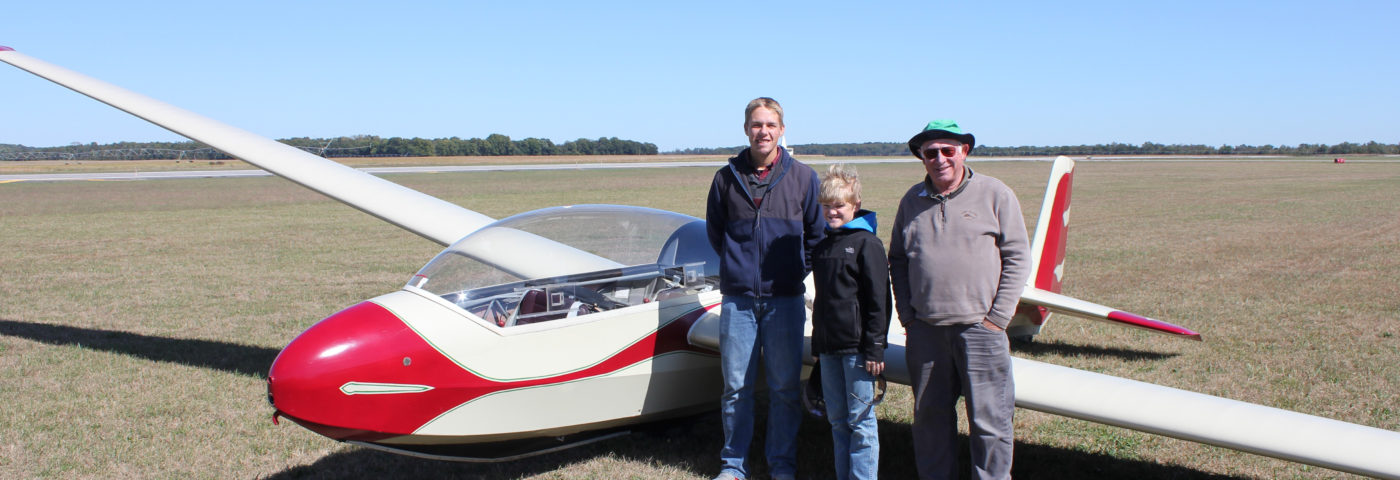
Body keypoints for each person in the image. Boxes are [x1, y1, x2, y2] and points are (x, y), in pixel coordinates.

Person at [888, 120, 1030, 480]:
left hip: (980, 329)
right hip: (926, 332)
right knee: (930, 422)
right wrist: (908, 316)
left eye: (947, 150)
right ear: (922, 158)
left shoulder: (995, 194)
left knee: (990, 423)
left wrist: (997, 318)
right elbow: (898, 260)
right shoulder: (911, 201)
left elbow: (1017, 256)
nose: (939, 159)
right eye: (930, 152)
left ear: (964, 151)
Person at [706, 97, 825, 480]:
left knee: (784, 389)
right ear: (746, 130)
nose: (764, 132)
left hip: (784, 300)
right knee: (735, 388)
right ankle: (733, 465)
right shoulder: (726, 177)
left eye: (771, 125)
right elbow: (716, 232)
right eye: (757, 125)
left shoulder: (804, 177)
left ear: (782, 130)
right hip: (738, 301)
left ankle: (782, 465)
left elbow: (816, 235)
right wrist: (740, 269)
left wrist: (791, 272)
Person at [810, 164, 891, 480]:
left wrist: (875, 349)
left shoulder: (866, 243)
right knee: (837, 419)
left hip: (858, 350)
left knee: (860, 421)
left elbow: (879, 301)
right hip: (829, 348)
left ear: (855, 206)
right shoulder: (824, 245)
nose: (832, 212)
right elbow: (823, 303)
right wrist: (818, 345)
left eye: (839, 206)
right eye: (827, 206)